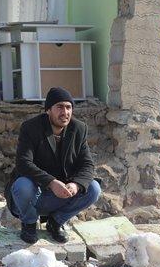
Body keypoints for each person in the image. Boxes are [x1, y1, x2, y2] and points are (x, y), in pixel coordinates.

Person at [6, 86, 101, 244]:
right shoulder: (31, 128)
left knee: (93, 189)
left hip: (60, 195)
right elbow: (23, 163)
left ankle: (55, 222)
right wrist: (51, 182)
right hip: (32, 195)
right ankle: (29, 223)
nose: (65, 112)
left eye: (69, 107)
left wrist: (75, 184)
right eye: (60, 107)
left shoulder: (78, 129)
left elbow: (87, 164)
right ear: (48, 110)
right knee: (22, 185)